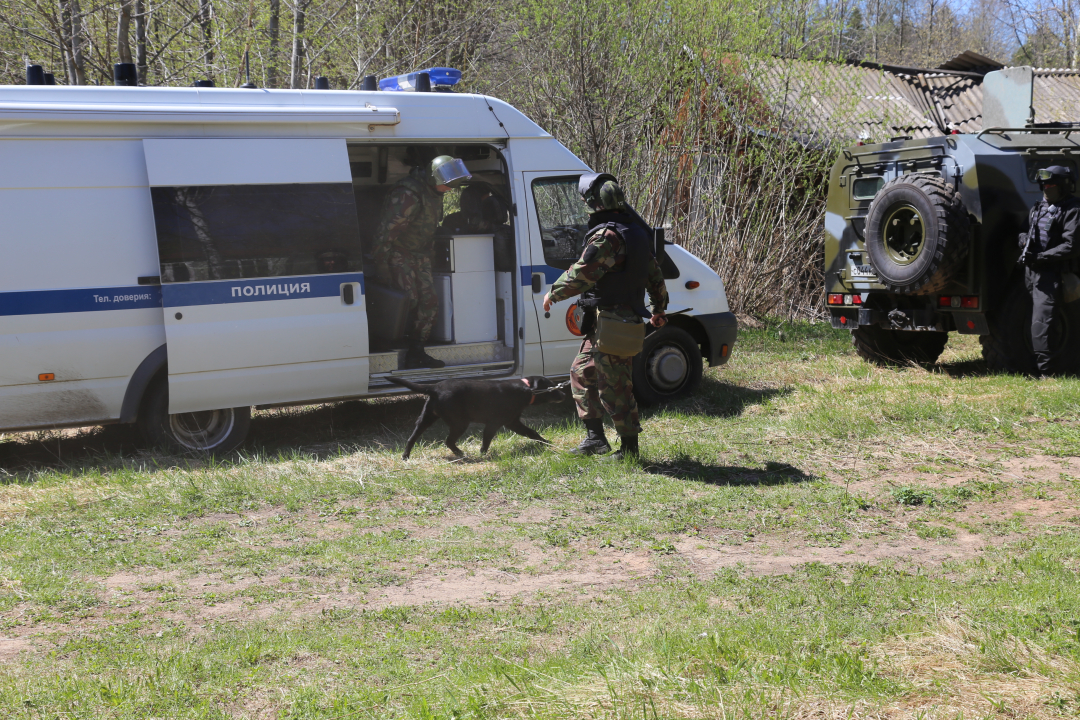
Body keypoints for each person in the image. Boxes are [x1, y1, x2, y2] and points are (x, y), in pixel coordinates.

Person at [542, 173, 668, 459]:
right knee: (581, 372)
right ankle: (595, 439)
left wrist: (554, 293)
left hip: (613, 323)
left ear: (593, 202)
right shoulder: (634, 231)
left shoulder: (608, 236)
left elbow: (583, 273)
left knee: (615, 385)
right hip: (608, 322)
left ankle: (629, 449)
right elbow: (655, 275)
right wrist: (659, 308)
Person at [373, 153, 472, 369]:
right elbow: (386, 232)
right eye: (447, 186)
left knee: (429, 303)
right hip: (397, 254)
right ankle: (390, 349)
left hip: (420, 255)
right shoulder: (409, 194)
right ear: (435, 179)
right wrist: (381, 265)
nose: (450, 190)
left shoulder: (433, 193)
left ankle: (416, 352)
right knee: (408, 301)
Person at [1019, 165, 1080, 377]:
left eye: (1052, 184)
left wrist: (1042, 258)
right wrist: (1024, 241)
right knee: (1031, 321)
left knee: (1043, 323)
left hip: (1052, 273)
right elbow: (1029, 232)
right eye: (1044, 184)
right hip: (1032, 271)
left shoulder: (1073, 209)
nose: (1047, 188)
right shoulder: (1039, 207)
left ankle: (1046, 374)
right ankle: (1031, 368)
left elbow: (1071, 246)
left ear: (1063, 186)